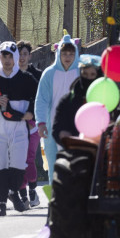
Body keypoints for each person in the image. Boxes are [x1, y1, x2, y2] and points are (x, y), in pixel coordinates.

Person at [0, 42, 38, 216]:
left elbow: (39, 98)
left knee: (18, 162)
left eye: (11, 56)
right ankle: (1, 203)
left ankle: (14, 191)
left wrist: (30, 113)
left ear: (15, 57)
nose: (8, 60)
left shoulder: (26, 79)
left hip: (18, 127)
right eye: (4, 56)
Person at [34, 35, 81, 183]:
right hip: (51, 128)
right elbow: (41, 100)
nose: (68, 57)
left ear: (76, 54)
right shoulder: (49, 73)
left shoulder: (81, 73)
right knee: (54, 168)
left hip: (76, 129)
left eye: (71, 53)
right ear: (58, 54)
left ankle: (73, 201)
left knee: (73, 166)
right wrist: (41, 123)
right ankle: (55, 202)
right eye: (65, 53)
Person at [50, 55, 104, 142]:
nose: (88, 78)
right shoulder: (67, 101)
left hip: (101, 149)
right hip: (75, 148)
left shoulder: (106, 100)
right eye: (85, 74)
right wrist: (62, 134)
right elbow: (57, 128)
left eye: (92, 75)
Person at [15, 40, 41, 208]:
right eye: (19, 54)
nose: (22, 58)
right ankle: (23, 194)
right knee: (18, 160)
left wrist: (33, 119)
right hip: (16, 123)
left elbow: (41, 99)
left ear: (30, 56)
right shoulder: (11, 75)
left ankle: (32, 190)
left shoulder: (37, 75)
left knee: (29, 158)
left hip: (33, 123)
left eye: (25, 54)